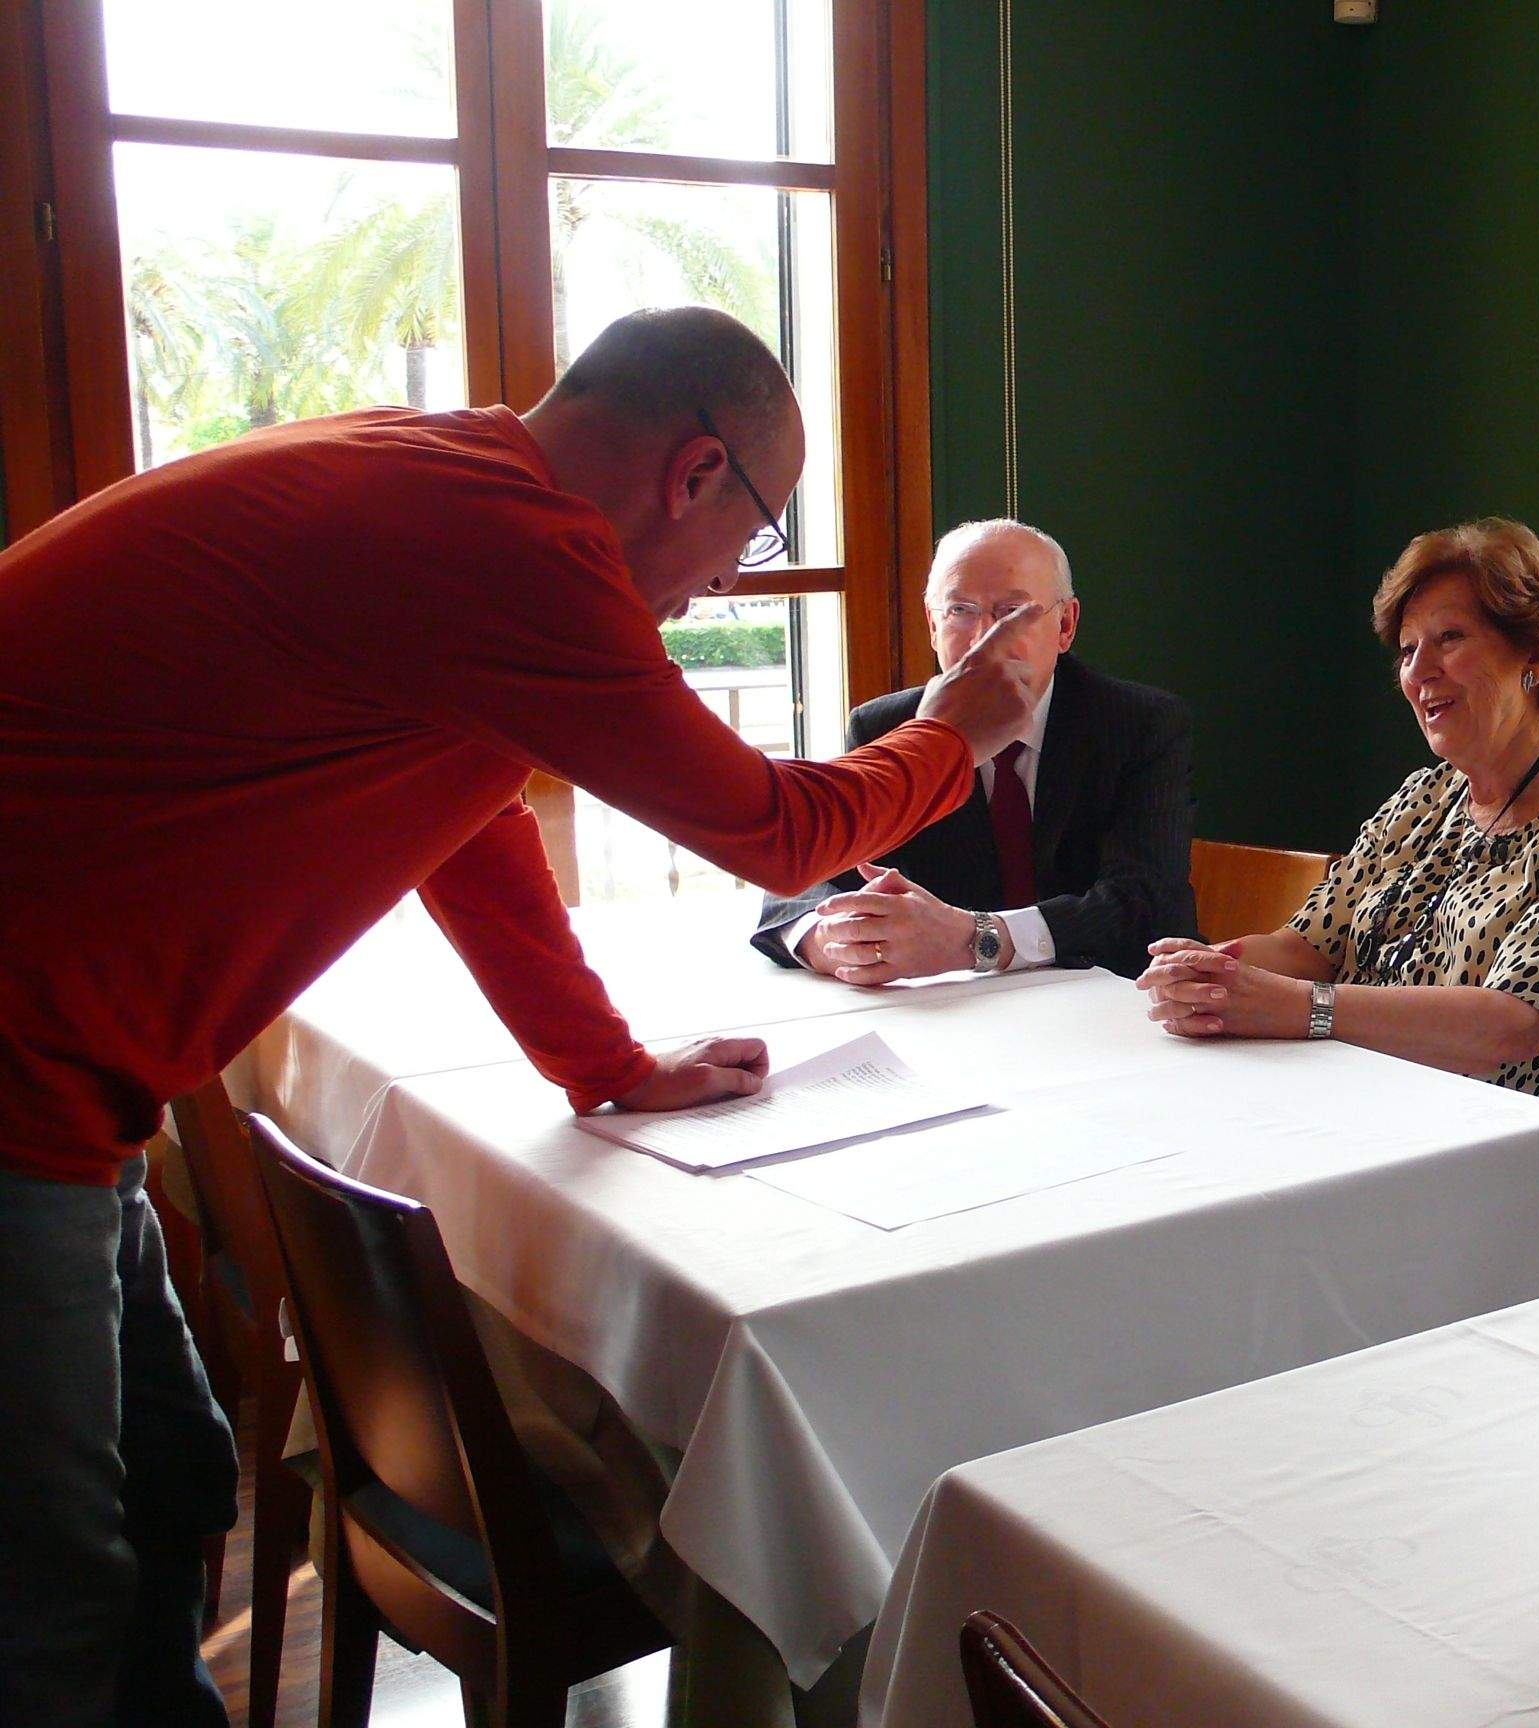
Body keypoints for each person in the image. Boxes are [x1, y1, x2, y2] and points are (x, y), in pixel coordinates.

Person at [0, 306, 1045, 1724]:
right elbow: (779, 832)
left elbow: (470, 824)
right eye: (741, 544)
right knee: (50, 1592)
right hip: (23, 1087)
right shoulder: (507, 546)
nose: (710, 592)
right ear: (695, 472)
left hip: (73, 1086)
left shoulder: (442, 485)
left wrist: (604, 1068)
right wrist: (959, 728)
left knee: (170, 1480)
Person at [1135, 518, 1539, 1198]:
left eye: (1449, 639)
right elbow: (1307, 946)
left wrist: (1303, 1009)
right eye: (1405, 650)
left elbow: (1510, 1025)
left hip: (1533, 1182)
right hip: (1380, 1136)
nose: (1418, 672)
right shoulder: (1427, 797)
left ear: (1533, 654)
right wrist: (1210, 973)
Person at [750, 519, 1197, 981]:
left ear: (1065, 626)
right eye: (960, 610)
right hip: (957, 1014)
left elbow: (1144, 906)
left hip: (1117, 1005)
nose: (982, 636)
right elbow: (796, 886)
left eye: (1012, 612)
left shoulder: (1141, 724)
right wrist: (829, 940)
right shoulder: (888, 726)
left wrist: (977, 938)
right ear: (931, 624)